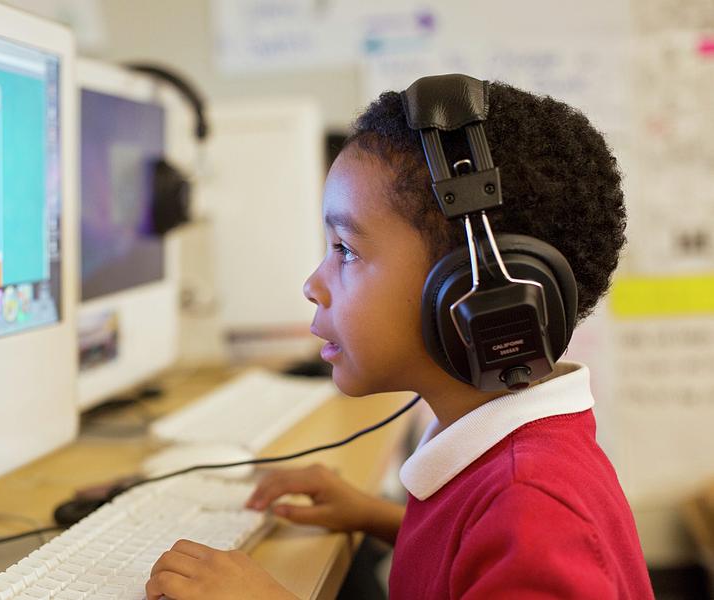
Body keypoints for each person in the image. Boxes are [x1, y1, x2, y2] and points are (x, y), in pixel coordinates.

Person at [145, 79, 654, 599]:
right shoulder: (501, 457)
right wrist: (381, 517)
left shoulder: (531, 514)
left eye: (345, 250)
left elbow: (513, 547)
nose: (312, 285)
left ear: (473, 288)